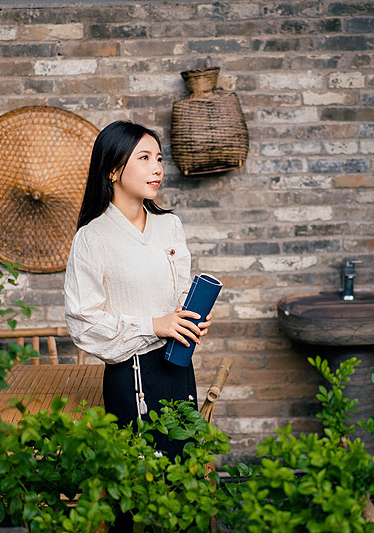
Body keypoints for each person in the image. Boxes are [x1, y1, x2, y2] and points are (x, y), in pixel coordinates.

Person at [64, 120, 211, 455]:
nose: (157, 168)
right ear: (113, 170)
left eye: (158, 159)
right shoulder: (92, 237)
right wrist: (154, 325)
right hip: (132, 377)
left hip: (179, 365)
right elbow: (83, 323)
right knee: (140, 474)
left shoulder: (170, 225)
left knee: (184, 467)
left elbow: (180, 292)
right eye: (144, 158)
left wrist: (191, 316)